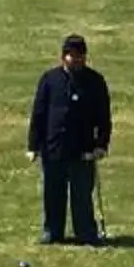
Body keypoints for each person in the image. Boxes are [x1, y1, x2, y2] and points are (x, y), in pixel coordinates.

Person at [25, 33, 113, 246]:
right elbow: (39, 113)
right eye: (73, 57)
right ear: (63, 57)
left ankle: (86, 233)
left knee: (81, 195)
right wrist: (33, 145)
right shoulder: (49, 80)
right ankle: (52, 232)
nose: (78, 61)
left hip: (83, 149)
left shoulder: (95, 81)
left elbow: (103, 116)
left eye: (81, 57)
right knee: (53, 194)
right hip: (53, 148)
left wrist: (101, 144)